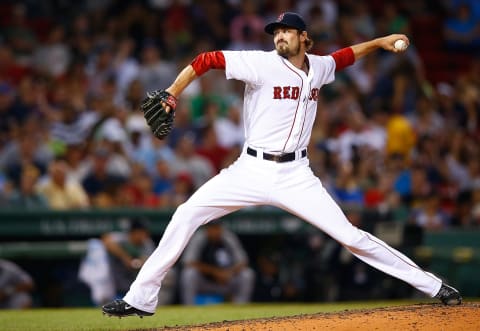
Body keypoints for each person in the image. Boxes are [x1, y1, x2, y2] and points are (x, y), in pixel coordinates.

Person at [102, 12, 462, 318]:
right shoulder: (259, 63)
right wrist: (172, 93)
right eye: (275, 32)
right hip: (250, 169)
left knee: (351, 236)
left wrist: (380, 41)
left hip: (296, 175)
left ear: (304, 37)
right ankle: (141, 299)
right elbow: (206, 60)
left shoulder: (318, 67)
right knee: (186, 214)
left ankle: (434, 286)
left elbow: (345, 56)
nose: (279, 36)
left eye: (286, 31)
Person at [180, 221, 254, 305]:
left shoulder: (228, 236)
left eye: (217, 228)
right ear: (207, 229)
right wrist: (215, 272)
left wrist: (229, 273)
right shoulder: (199, 237)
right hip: (205, 282)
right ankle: (189, 306)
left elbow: (243, 261)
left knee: (247, 274)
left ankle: (240, 306)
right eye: (212, 228)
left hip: (227, 280)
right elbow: (188, 262)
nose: (214, 231)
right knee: (189, 273)